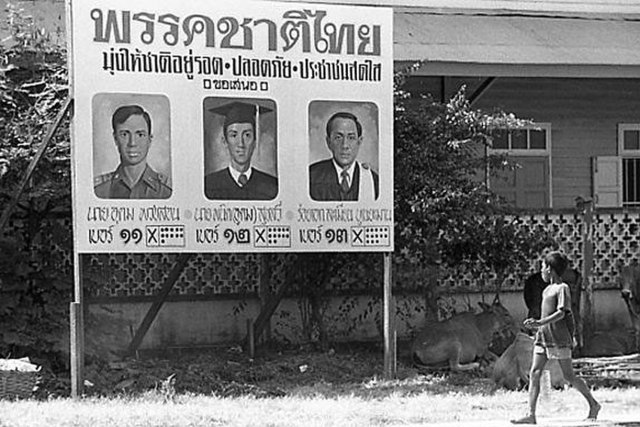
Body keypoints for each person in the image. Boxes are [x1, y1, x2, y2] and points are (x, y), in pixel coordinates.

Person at [511, 251, 600, 425]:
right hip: (543, 338)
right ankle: (531, 414)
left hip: (558, 339)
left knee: (569, 376)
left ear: (550, 269)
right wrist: (538, 326)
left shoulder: (562, 288)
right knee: (534, 373)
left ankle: (593, 404)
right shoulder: (546, 290)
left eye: (543, 267)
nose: (541, 271)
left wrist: (541, 322)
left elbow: (562, 313)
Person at [94, 104, 172, 199]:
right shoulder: (100, 190)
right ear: (115, 139)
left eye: (140, 135)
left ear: (149, 140)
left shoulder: (166, 191)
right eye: (124, 134)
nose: (132, 143)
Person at [204, 101, 278, 200]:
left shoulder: (271, 185)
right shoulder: (209, 184)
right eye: (234, 135)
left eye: (247, 135)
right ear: (225, 141)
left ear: (255, 141)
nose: (241, 144)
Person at [309, 111, 379, 202]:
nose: (345, 145)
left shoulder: (373, 180)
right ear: (328, 142)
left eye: (351, 138)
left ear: (359, 141)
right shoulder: (311, 176)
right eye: (338, 137)